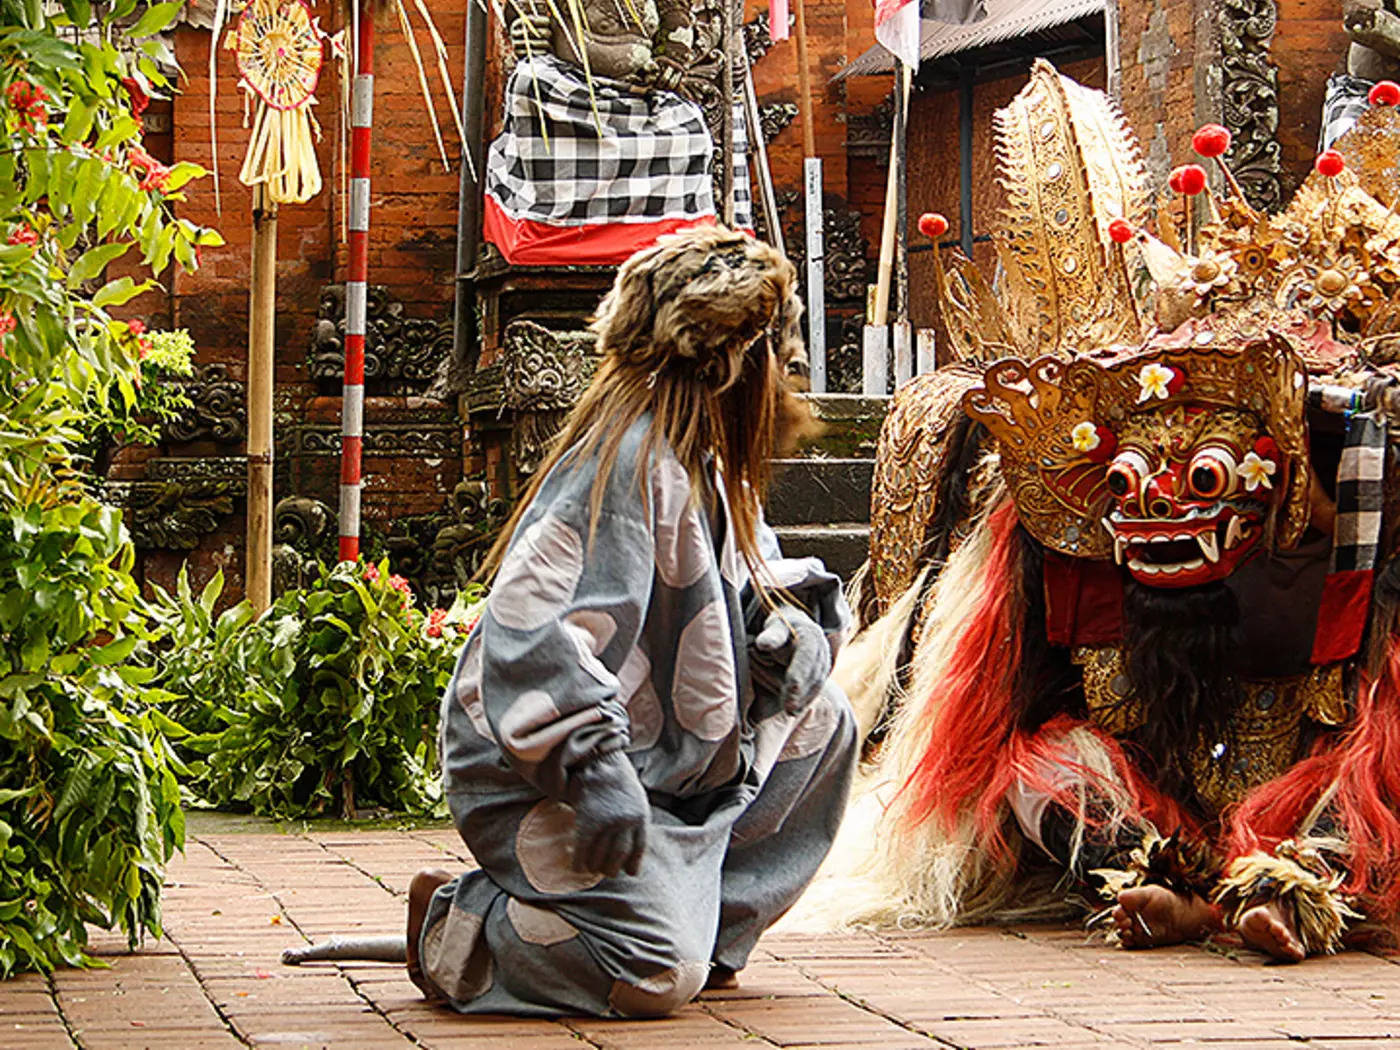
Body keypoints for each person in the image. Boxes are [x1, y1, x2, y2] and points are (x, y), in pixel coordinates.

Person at [817, 61, 1400, 963]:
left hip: (1305, 769)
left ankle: (1296, 887)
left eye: (1200, 480)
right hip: (1153, 787)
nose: (1160, 508)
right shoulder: (1067, 549)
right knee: (1039, 774)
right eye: (1131, 487)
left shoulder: (1350, 524)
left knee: (1363, 783)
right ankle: (1156, 880)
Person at [406, 226, 857, 1017]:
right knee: (647, 976)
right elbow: (534, 625)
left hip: (666, 760)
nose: (790, 373)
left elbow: (736, 600)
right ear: (731, 361)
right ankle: (468, 925)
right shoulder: (628, 462)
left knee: (825, 721)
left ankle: (700, 921)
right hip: (553, 766)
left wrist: (788, 638)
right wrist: (598, 771)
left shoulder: (706, 464)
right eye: (776, 349)